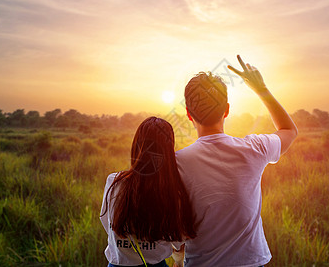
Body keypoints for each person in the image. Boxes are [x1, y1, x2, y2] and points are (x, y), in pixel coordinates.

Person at [174, 55, 298, 266]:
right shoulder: (255, 148)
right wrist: (261, 89)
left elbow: (176, 225)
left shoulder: (176, 162)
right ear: (227, 110)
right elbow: (289, 130)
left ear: (188, 114)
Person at [100, 117, 197, 267]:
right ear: (168, 152)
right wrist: (178, 262)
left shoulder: (114, 181)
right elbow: (179, 242)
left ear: (137, 146)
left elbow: (107, 222)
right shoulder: (173, 194)